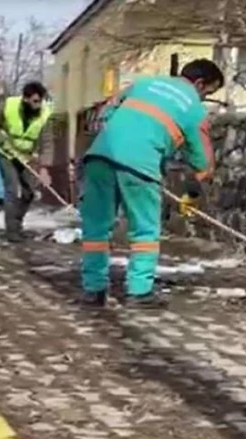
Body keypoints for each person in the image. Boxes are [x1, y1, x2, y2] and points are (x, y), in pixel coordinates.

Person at [78, 59, 222, 308]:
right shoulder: (193, 108)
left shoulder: (144, 84)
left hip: (99, 156)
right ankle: (139, 292)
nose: (205, 98)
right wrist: (196, 185)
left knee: (96, 229)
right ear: (199, 83)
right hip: (140, 166)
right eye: (208, 92)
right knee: (144, 230)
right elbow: (202, 160)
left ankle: (93, 291)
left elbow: (105, 111)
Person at [0, 81, 53, 242]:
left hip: (26, 157)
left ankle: (17, 223)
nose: (38, 105)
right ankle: (12, 231)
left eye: (40, 101)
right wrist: (3, 141)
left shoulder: (45, 113)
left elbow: (47, 141)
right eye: (35, 101)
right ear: (26, 99)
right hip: (7, 154)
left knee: (29, 192)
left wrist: (44, 168)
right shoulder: (9, 105)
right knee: (12, 190)